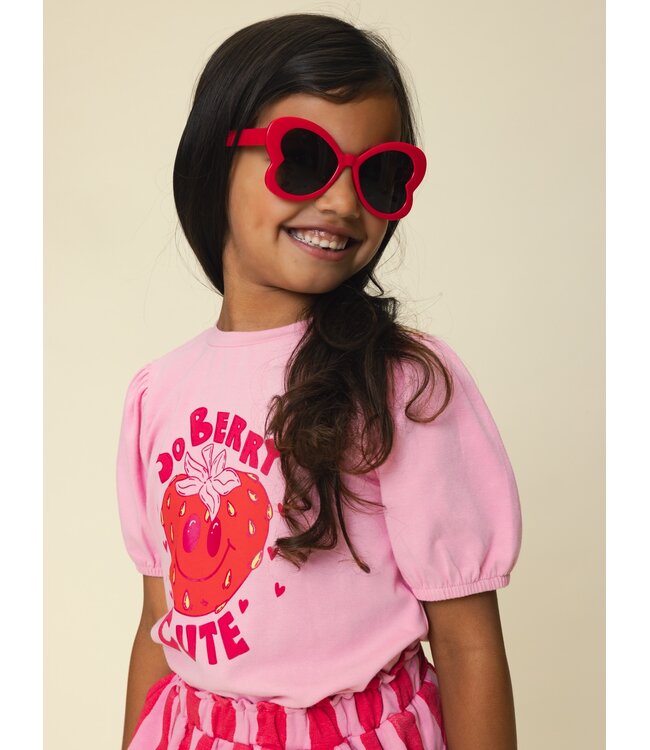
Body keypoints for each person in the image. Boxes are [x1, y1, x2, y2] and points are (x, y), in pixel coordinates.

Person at [115, 12, 523, 750]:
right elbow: (158, 624)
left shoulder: (401, 385)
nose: (341, 202)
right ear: (212, 161)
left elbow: (467, 644)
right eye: (304, 159)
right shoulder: (157, 391)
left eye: (378, 175)